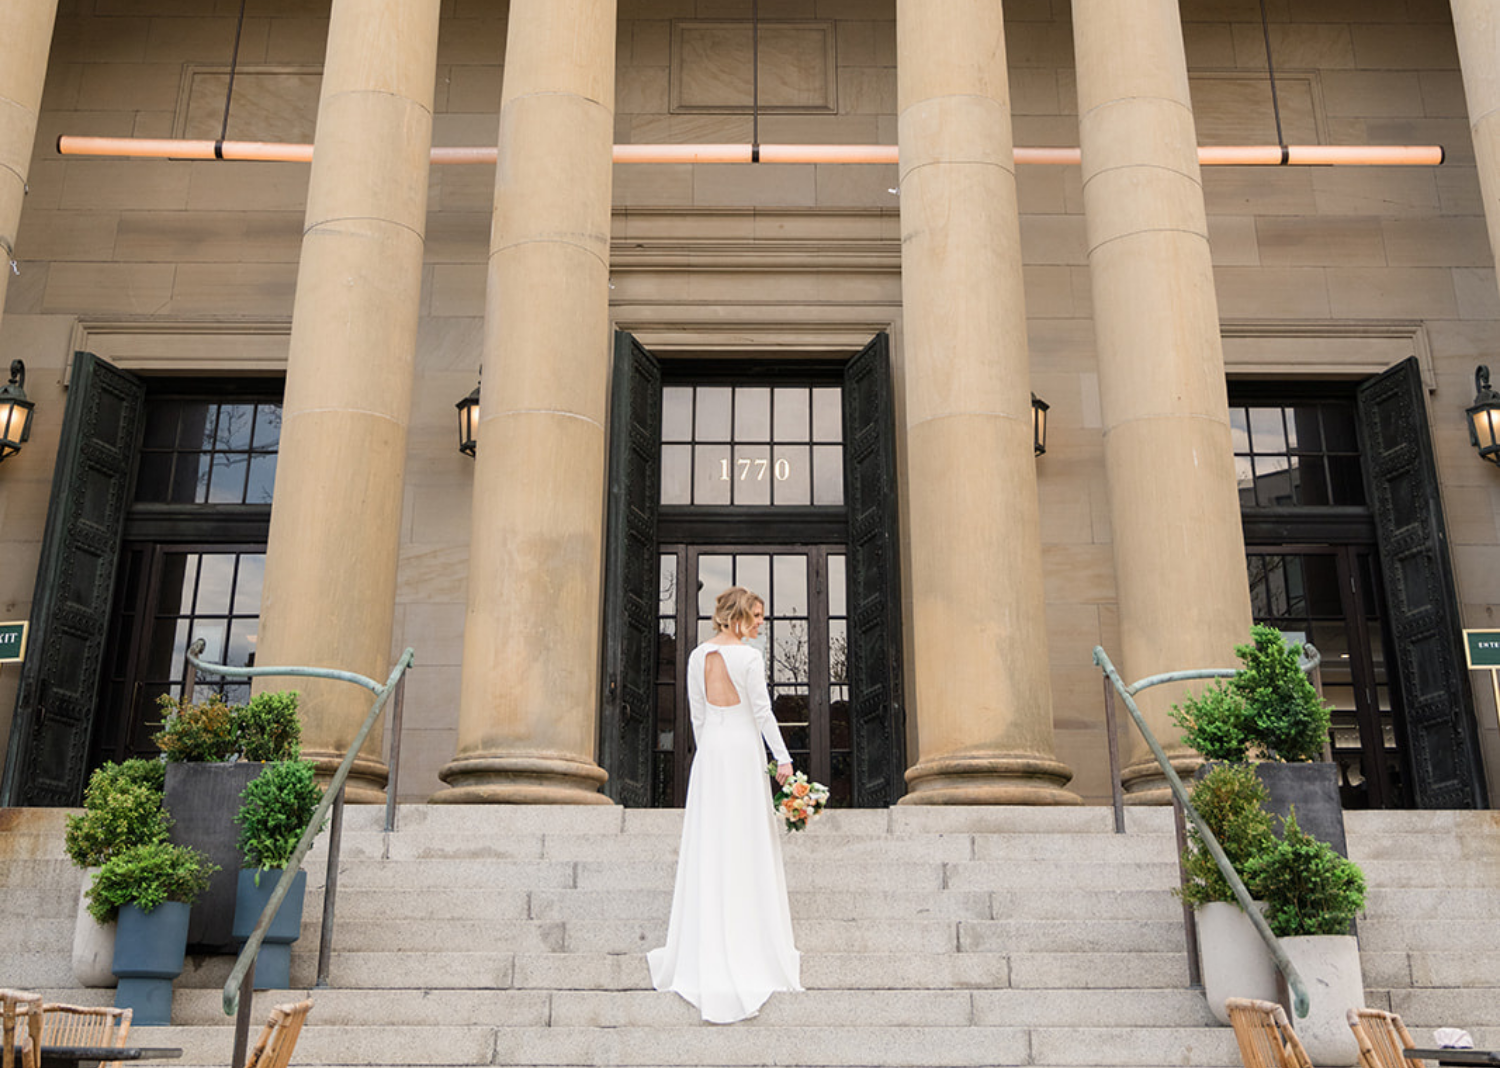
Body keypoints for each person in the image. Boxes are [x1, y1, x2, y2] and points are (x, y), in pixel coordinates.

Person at [647, 586, 803, 1023]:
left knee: (711, 843)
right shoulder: (748, 660)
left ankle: (707, 937)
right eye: (755, 616)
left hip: (712, 754)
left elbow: (697, 715)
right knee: (745, 842)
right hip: (739, 751)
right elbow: (762, 712)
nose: (760, 624)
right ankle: (749, 940)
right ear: (735, 615)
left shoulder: (697, 657)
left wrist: (712, 745)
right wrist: (783, 758)